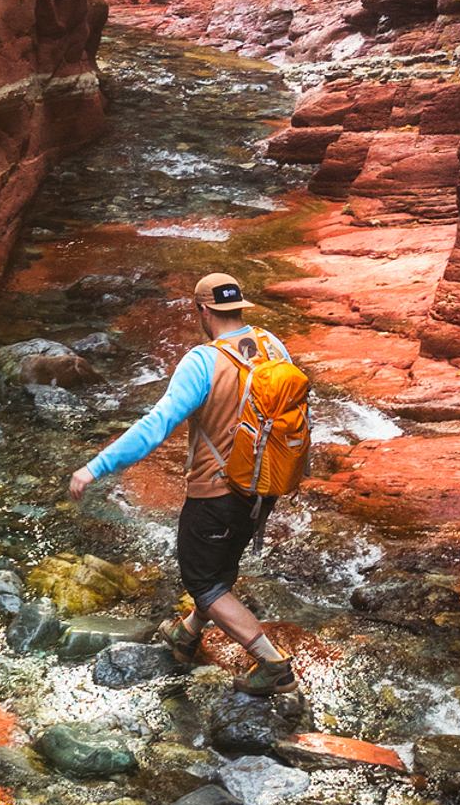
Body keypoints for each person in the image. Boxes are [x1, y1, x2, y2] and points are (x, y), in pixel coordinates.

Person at [67, 271, 296, 692]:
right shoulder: (273, 346)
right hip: (265, 487)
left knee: (203, 582)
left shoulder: (203, 361)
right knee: (219, 568)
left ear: (203, 310)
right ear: (240, 307)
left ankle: (273, 665)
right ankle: (187, 633)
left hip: (217, 493)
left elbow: (157, 426)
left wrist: (95, 466)